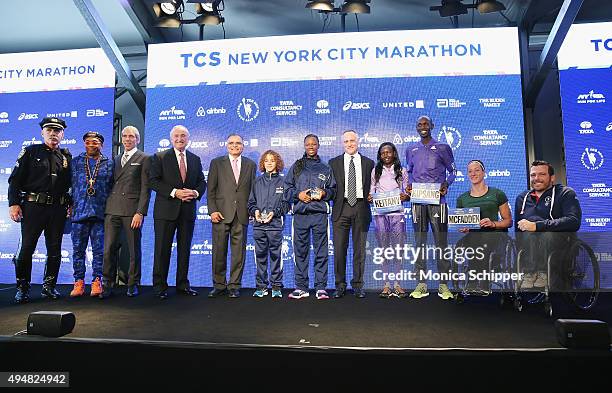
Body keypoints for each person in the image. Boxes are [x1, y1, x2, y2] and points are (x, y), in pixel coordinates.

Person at [8, 117, 72, 303]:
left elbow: (68, 185)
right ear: (42, 132)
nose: (53, 134)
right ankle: (22, 287)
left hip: (57, 209)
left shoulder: (65, 157)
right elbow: (15, 180)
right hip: (33, 207)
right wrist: (13, 203)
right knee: (27, 248)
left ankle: (49, 287)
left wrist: (70, 203)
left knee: (55, 249)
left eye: (57, 131)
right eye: (49, 130)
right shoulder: (30, 152)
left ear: (62, 134)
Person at [149, 125, 206, 299]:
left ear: (188, 139)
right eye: (176, 136)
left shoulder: (195, 159)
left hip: (187, 211)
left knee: (184, 250)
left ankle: (183, 285)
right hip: (165, 211)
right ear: (171, 138)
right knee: (161, 250)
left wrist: (195, 193)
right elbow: (153, 181)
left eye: (183, 136)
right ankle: (160, 287)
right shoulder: (159, 157)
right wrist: (175, 192)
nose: (180, 139)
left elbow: (201, 182)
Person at [405, 115, 456, 300]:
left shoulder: (443, 147)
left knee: (441, 243)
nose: (423, 127)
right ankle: (421, 284)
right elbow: (409, 173)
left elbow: (453, 171)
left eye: (426, 124)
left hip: (438, 202)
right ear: (416, 128)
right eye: (419, 124)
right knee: (419, 243)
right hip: (418, 201)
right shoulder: (411, 149)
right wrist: (409, 185)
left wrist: (446, 185)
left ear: (432, 126)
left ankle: (444, 285)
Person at [100, 126, 151, 298]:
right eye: (125, 136)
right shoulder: (116, 158)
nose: (128, 139)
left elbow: (146, 188)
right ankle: (107, 284)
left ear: (138, 139)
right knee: (108, 249)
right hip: (112, 209)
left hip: (131, 211)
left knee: (132, 250)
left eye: (131, 136)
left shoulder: (145, 158)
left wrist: (140, 212)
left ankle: (133, 283)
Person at [284, 134, 336, 300]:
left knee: (321, 252)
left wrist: (324, 193)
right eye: (308, 144)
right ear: (304, 146)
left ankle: (321, 287)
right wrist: (298, 195)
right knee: (300, 252)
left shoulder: (326, 168)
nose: (311, 146)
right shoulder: (297, 166)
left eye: (314, 144)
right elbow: (287, 190)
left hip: (320, 215)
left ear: (318, 146)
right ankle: (301, 287)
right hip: (300, 215)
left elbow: (333, 191)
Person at [515, 160, 581, 289]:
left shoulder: (565, 193)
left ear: (552, 178)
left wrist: (538, 226)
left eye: (542, 174)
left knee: (547, 235)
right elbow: (518, 230)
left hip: (560, 243)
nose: (536, 178)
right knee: (526, 235)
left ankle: (543, 273)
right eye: (533, 175)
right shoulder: (522, 198)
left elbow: (574, 220)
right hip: (530, 246)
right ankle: (529, 273)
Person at [207, 133, 256, 299]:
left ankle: (234, 285)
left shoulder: (250, 165)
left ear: (243, 146)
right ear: (226, 145)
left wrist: (251, 210)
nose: (235, 145)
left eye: (238, 143)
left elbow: (252, 191)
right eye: (232, 143)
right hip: (220, 214)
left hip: (242, 215)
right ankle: (219, 285)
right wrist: (212, 210)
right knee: (219, 252)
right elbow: (211, 190)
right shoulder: (216, 163)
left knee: (238, 254)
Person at [329, 130, 375, 299]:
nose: (349, 144)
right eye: (346, 141)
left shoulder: (369, 163)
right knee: (340, 249)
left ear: (358, 142)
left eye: (352, 140)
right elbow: (330, 188)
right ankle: (340, 285)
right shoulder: (333, 163)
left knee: (360, 250)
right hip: (341, 209)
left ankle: (358, 285)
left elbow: (374, 186)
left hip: (361, 209)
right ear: (342, 143)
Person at [455, 160, 512, 293]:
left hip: (495, 235)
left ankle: (480, 281)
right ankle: (476, 280)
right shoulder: (462, 199)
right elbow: (462, 225)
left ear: (483, 172)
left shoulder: (497, 194)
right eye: (470, 171)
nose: (473, 173)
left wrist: (493, 223)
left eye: (477, 170)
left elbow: (508, 221)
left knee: (481, 239)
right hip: (474, 237)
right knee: (472, 238)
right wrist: (464, 228)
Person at [69, 132, 114, 297]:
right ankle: (79, 282)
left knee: (99, 251)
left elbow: (112, 188)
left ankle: (97, 281)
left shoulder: (108, 164)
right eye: (87, 142)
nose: (91, 145)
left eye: (95, 142)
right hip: (79, 214)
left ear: (101, 144)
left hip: (100, 214)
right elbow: (68, 186)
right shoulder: (76, 162)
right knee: (78, 250)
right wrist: (69, 205)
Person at [368, 143, 410, 298]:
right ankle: (386, 285)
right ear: (380, 155)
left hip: (397, 214)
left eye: (388, 152)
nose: (385, 155)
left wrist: (405, 196)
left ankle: (398, 284)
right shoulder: (375, 171)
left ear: (394, 154)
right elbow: (372, 191)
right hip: (380, 214)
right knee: (384, 248)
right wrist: (370, 197)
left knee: (398, 249)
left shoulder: (402, 170)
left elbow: (407, 192)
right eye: (382, 153)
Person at [247, 150, 289, 298]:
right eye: (266, 160)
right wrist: (255, 212)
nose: (269, 163)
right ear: (263, 164)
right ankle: (261, 286)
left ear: (277, 163)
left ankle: (276, 286)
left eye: (272, 160)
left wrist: (274, 213)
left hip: (275, 226)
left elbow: (286, 206)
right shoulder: (257, 182)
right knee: (260, 257)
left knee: (276, 256)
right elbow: (251, 203)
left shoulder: (284, 182)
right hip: (258, 226)